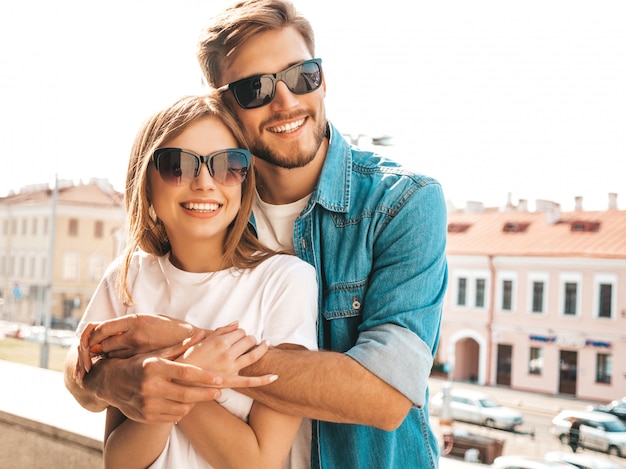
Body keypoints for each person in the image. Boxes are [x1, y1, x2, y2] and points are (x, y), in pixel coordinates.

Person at [65, 1, 448, 467]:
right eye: (256, 88)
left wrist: (181, 346)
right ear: (224, 104)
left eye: (302, 75)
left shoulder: (403, 204)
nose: (286, 101)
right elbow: (94, 357)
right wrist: (102, 378)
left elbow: (387, 395)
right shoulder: (210, 207)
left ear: (323, 79)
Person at [67, 92, 318, 469]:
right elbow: (118, 460)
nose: (204, 182)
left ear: (243, 181)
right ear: (146, 181)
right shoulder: (128, 278)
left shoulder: (286, 282)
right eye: (178, 165)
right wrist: (194, 370)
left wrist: (170, 374)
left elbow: (258, 460)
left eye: (228, 165)